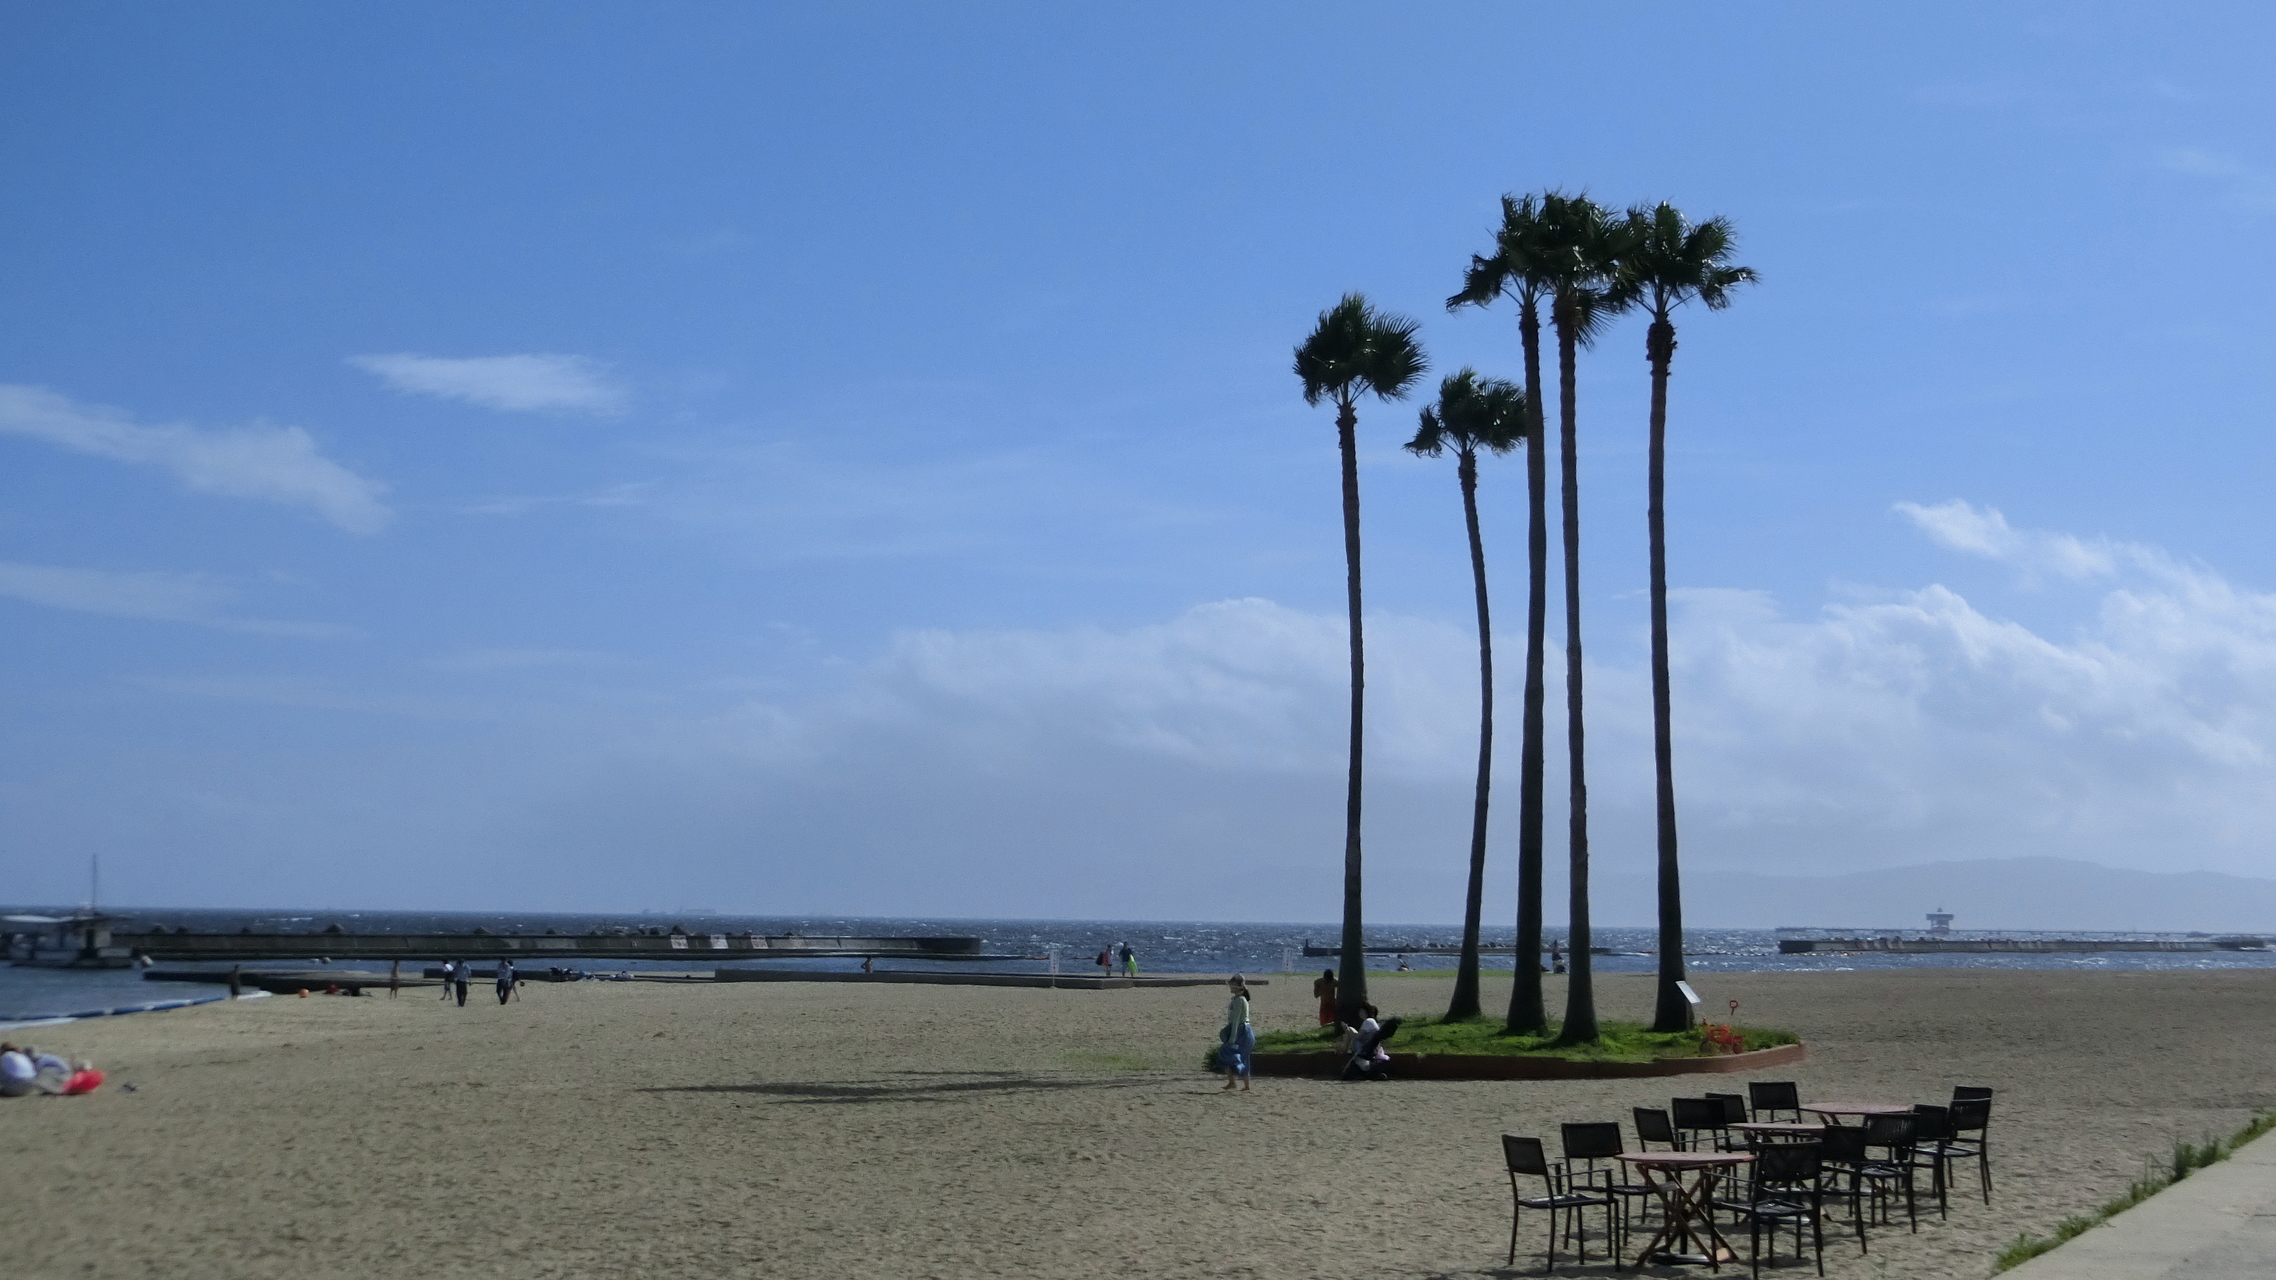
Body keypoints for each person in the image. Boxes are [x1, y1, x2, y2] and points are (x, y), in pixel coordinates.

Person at [1219, 976, 1253, 1092]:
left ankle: (1234, 1082)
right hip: (1243, 1030)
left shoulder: (1239, 1000)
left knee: (1227, 1053)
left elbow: (1236, 1021)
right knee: (1241, 1057)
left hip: (1242, 1031)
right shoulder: (1238, 999)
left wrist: (1232, 1039)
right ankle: (1239, 1083)